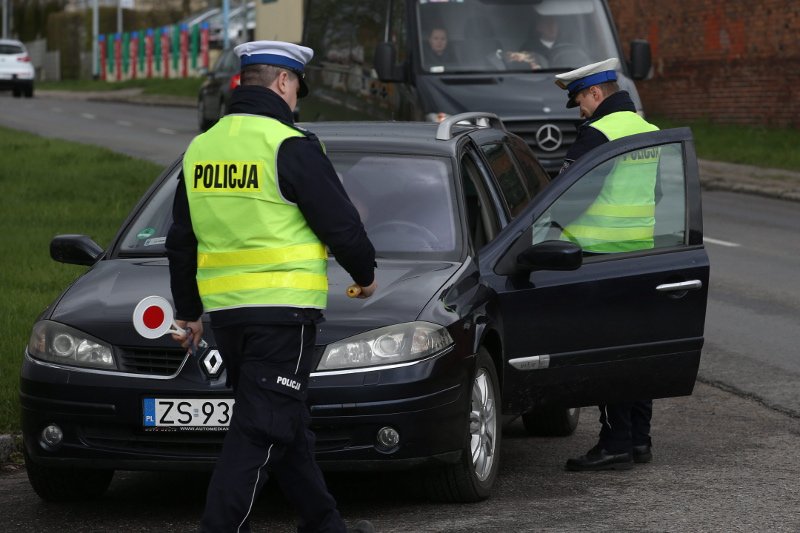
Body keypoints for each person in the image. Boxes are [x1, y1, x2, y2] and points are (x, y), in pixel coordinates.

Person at [165, 40, 377, 533]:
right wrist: (364, 275)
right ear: (283, 82)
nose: (298, 97)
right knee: (261, 429)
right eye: (297, 86)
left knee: (286, 422)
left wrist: (190, 312)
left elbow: (182, 239)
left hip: (229, 319)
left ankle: (325, 524)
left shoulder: (202, 147)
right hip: (284, 315)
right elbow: (340, 224)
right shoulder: (289, 144)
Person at [554, 57, 660, 471]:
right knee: (637, 351)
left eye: (580, 99)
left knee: (609, 355)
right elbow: (663, 197)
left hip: (600, 260)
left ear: (596, 94)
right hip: (645, 256)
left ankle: (615, 442)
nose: (581, 109)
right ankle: (639, 440)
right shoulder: (650, 132)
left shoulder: (598, 133)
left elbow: (568, 198)